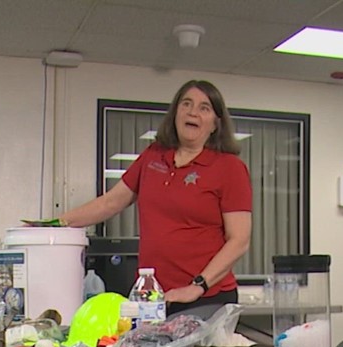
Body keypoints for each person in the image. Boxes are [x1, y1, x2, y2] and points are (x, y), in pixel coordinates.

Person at [60, 80, 252, 316]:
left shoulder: (229, 167)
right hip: (153, 296)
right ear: (175, 113)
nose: (193, 112)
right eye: (186, 104)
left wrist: (197, 286)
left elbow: (239, 240)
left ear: (215, 124)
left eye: (204, 108)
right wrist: (55, 224)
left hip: (206, 297)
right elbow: (110, 202)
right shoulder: (153, 156)